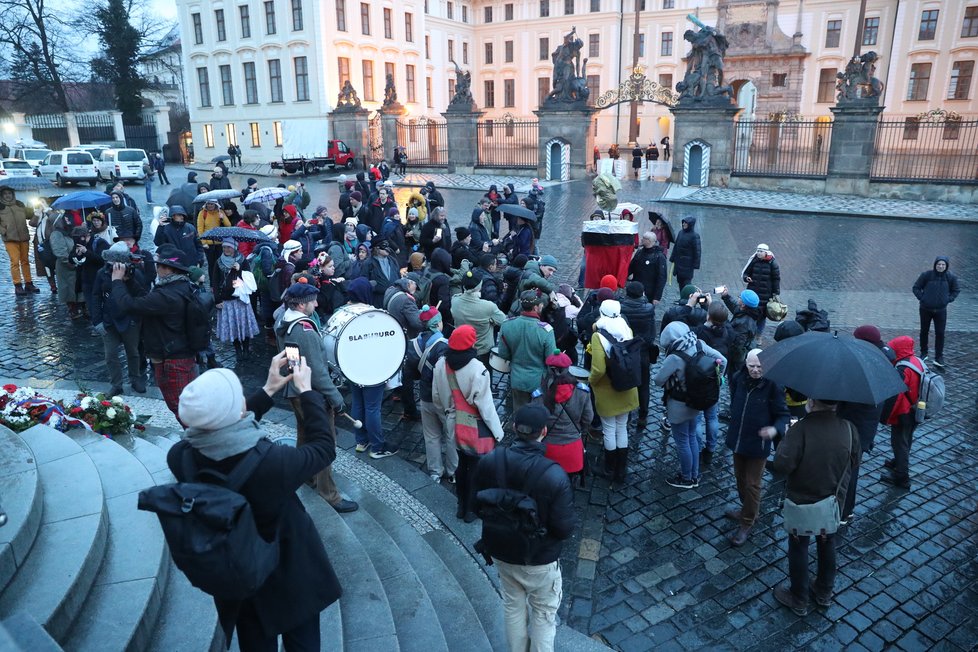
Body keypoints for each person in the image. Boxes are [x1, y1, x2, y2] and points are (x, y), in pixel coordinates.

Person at [168, 354, 342, 649]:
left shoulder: (181, 456)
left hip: (239, 582)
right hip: (289, 575)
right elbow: (323, 448)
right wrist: (308, 392)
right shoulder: (272, 463)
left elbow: (224, 428)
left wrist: (269, 390)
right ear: (236, 413)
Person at [472, 404, 577, 652]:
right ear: (543, 431)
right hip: (540, 559)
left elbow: (476, 506)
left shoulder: (489, 461)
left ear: (514, 428)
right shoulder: (554, 475)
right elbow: (564, 529)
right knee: (542, 615)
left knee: (512, 605)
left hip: (502, 550)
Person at [272, 281, 359, 514]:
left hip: (296, 390)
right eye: (313, 301)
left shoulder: (284, 320)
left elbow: (292, 360)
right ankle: (329, 494)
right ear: (301, 305)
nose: (317, 304)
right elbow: (319, 372)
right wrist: (337, 399)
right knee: (324, 442)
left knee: (304, 436)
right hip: (312, 394)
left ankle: (306, 475)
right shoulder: (304, 330)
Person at [772, 397, 860, 616]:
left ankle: (799, 598)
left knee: (799, 546)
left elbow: (782, 465)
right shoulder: (850, 429)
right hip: (831, 501)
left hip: (801, 500)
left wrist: (787, 436)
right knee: (827, 541)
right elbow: (855, 461)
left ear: (811, 402)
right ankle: (823, 591)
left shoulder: (801, 429)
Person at [110, 245, 200, 423]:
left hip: (171, 359)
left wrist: (117, 281)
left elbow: (129, 305)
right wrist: (129, 281)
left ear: (168, 269)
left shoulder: (167, 295)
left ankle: (200, 445)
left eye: (160, 265)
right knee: (185, 406)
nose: (157, 268)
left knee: (180, 407)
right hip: (180, 354)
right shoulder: (180, 287)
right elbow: (146, 299)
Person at [432, 325, 504, 522]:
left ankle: (460, 504)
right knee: (475, 467)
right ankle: (471, 509)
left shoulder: (440, 365)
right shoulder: (477, 369)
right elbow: (486, 407)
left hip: (453, 423)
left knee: (461, 464)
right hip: (474, 428)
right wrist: (498, 433)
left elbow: (436, 398)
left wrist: (448, 416)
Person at [725, 349, 790, 546]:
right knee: (740, 478)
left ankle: (747, 522)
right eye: (751, 366)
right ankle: (747, 509)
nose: (755, 370)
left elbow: (783, 415)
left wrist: (774, 429)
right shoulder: (738, 377)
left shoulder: (773, 385)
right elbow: (734, 398)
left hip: (758, 444)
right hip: (738, 438)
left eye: (759, 367)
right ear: (746, 364)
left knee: (753, 484)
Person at [654, 321, 727, 488]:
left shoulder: (674, 356)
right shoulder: (699, 343)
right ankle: (695, 475)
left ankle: (686, 478)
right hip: (698, 402)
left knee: (682, 441)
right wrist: (718, 380)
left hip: (679, 405)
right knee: (692, 437)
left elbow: (658, 380)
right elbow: (722, 360)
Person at [837, 325, 891, 523]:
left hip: (856, 428)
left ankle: (845, 512)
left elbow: (849, 399)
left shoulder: (864, 365)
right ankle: (845, 508)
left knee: (848, 472)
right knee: (851, 469)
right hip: (866, 427)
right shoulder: (881, 361)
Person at [589, 300, 639, 483]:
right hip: (627, 386)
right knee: (622, 427)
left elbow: (598, 369)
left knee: (609, 429)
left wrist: (590, 382)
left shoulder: (598, 336)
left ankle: (610, 469)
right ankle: (622, 468)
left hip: (608, 389)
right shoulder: (627, 329)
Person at [92, 242, 149, 396]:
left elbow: (142, 296)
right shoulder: (102, 273)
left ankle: (135, 379)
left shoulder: (134, 274)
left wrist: (128, 279)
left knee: (133, 352)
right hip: (109, 321)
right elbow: (96, 297)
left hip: (130, 320)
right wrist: (97, 321)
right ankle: (116, 384)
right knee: (110, 354)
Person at [407, 306, 456, 482]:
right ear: (437, 324)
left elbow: (412, 374)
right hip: (444, 399)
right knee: (450, 435)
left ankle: (435, 471)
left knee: (431, 435)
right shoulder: (444, 346)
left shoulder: (413, 344)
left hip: (425, 396)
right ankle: (453, 471)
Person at [531, 352, 593, 484]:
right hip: (573, 451)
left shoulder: (539, 396)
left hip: (547, 451)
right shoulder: (583, 392)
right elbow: (588, 418)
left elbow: (534, 423)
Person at [498, 291, 557, 416]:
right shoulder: (546, 330)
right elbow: (551, 359)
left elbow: (503, 354)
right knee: (537, 415)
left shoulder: (507, 325)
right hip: (538, 381)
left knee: (519, 413)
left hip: (517, 378)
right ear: (536, 307)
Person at [880, 335, 922, 490]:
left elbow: (895, 397)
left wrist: (884, 416)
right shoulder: (915, 361)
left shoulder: (902, 369)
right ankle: (897, 462)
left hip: (904, 413)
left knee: (899, 443)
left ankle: (902, 478)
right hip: (916, 409)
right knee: (906, 438)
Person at [619, 281, 656, 429]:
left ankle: (626, 414)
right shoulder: (649, 309)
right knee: (644, 385)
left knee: (625, 384)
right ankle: (643, 415)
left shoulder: (621, 308)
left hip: (626, 352)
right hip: (643, 351)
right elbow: (652, 333)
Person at [451, 271, 507, 368]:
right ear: (479, 286)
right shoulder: (488, 306)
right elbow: (504, 322)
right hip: (482, 351)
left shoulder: (455, 300)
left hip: (461, 348)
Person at [912, 256, 959, 368]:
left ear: (946, 266)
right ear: (935, 265)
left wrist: (948, 299)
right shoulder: (926, 275)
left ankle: (939, 357)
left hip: (941, 310)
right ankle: (924, 353)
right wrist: (923, 298)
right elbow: (916, 288)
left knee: (940, 333)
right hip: (925, 309)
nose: (941, 266)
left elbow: (956, 290)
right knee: (924, 331)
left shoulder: (951, 277)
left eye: (943, 265)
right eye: (939, 264)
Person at [0, 187, 39, 295]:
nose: (8, 195)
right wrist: (4, 231)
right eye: (5, 194)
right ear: (2, 195)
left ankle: (28, 283)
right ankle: (17, 285)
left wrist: (32, 209)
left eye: (9, 193)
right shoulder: (1, 207)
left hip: (23, 237)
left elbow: (29, 215)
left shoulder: (19, 204)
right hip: (10, 239)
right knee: (15, 262)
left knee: (25, 261)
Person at [742, 243, 781, 335]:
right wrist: (746, 278)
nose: (758, 253)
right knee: (750, 312)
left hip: (766, 294)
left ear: (766, 252)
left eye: (761, 251)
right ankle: (750, 332)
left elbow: (776, 279)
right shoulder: (754, 260)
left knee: (762, 316)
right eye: (758, 251)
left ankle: (759, 334)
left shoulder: (772, 263)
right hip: (753, 291)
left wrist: (776, 293)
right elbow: (746, 273)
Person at [628, 232, 667, 306]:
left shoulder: (659, 257)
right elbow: (631, 267)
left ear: (649, 241)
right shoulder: (640, 252)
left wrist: (657, 297)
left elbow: (662, 278)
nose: (642, 240)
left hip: (649, 292)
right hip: (636, 288)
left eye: (644, 238)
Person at [669, 217, 701, 289]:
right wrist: (673, 258)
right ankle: (682, 298)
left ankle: (687, 299)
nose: (683, 224)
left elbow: (697, 251)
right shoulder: (681, 232)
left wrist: (695, 265)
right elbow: (676, 246)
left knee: (686, 283)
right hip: (679, 263)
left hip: (687, 265)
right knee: (680, 282)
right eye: (683, 222)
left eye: (685, 223)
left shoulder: (695, 236)